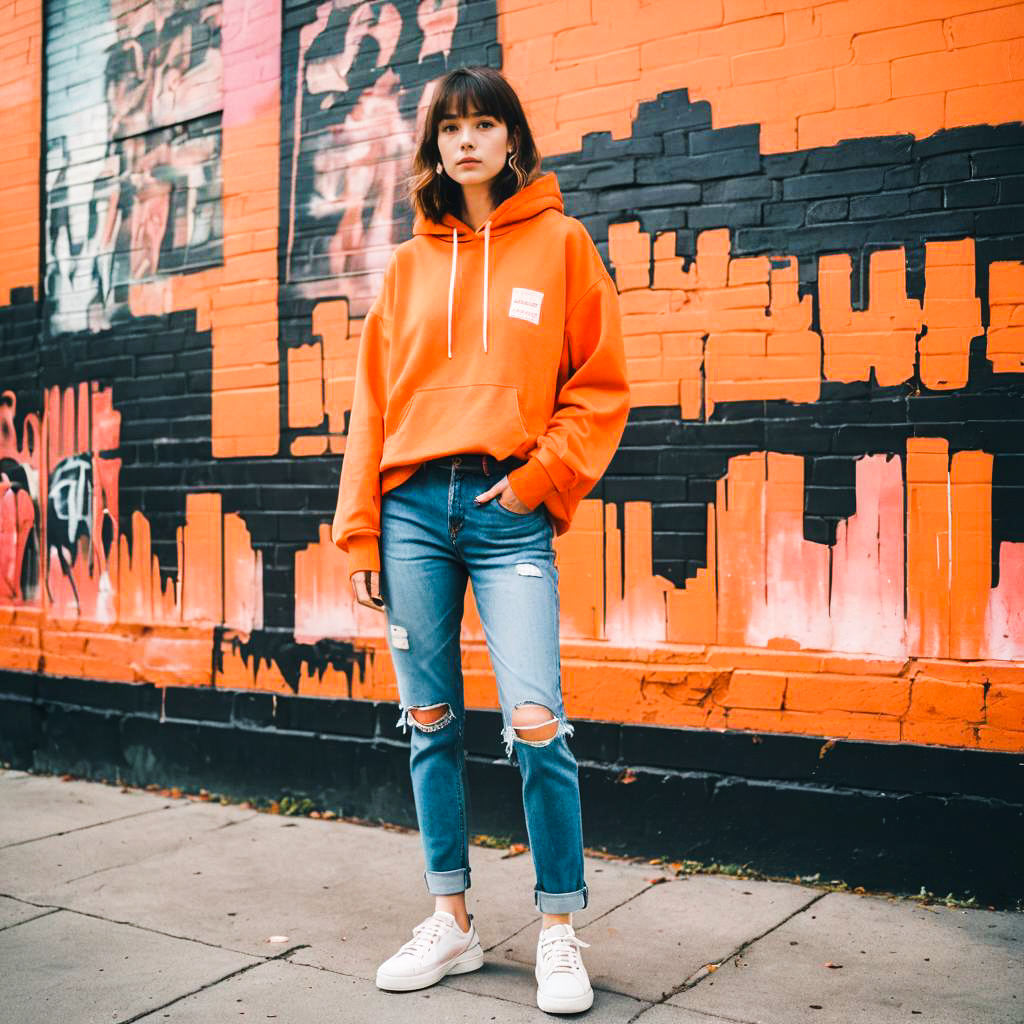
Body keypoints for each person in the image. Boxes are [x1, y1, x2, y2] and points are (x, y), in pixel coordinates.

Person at [331, 65, 630, 1014]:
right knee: (429, 725)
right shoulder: (410, 265)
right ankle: (452, 922)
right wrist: (361, 532)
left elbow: (599, 387)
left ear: (511, 140)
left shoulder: (564, 245)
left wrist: (539, 479)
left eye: (484, 124)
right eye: (451, 126)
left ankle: (556, 928)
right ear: (435, 146)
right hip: (413, 512)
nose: (467, 140)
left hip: (508, 515)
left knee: (537, 722)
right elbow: (371, 406)